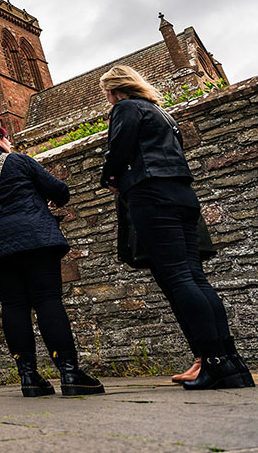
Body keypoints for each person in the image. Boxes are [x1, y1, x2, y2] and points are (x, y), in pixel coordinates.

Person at [100, 65, 252, 390]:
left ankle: (212, 363)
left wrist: (111, 180)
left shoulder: (125, 108)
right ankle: (231, 363)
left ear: (114, 90)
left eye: (106, 93)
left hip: (151, 194)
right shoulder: (160, 112)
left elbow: (119, 150)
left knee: (178, 278)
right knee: (196, 277)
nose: (107, 99)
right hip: (182, 194)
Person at [0, 127, 104, 397]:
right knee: (47, 301)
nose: (10, 142)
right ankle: (69, 373)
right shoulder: (18, 160)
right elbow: (59, 190)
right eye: (7, 138)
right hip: (37, 239)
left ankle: (29, 378)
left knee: (13, 305)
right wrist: (46, 199)